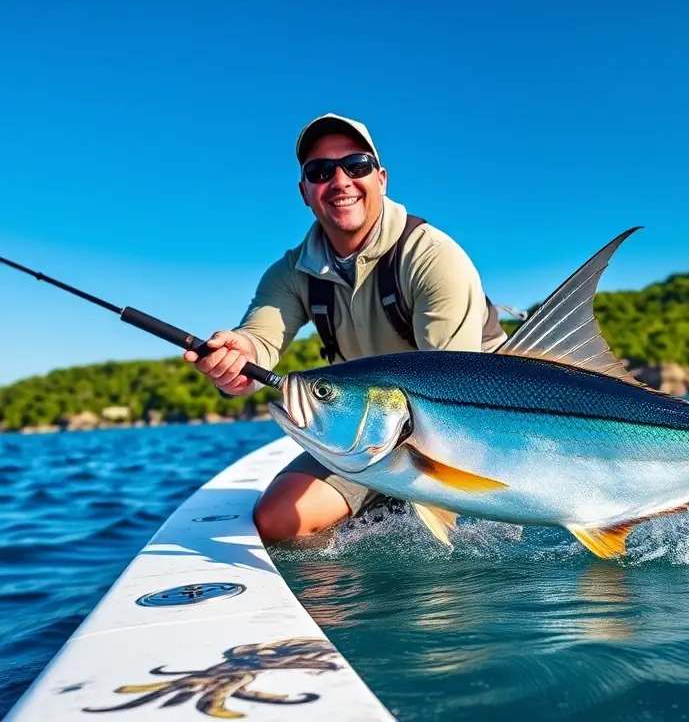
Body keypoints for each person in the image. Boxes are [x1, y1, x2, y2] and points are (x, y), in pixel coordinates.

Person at [185, 113, 507, 543]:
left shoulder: (433, 256)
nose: (340, 181)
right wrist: (236, 359)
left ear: (381, 178)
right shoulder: (290, 273)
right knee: (279, 519)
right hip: (367, 430)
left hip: (486, 432)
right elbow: (258, 340)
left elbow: (459, 393)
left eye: (355, 165)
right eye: (320, 171)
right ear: (305, 192)